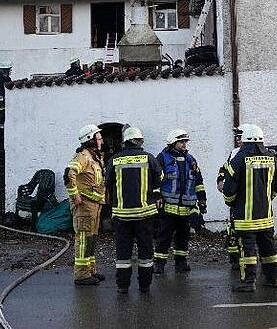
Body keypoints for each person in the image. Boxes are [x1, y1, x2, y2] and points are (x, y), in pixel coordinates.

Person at [222, 123, 277, 292]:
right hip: (266, 216)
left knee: (247, 251)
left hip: (245, 218)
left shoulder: (238, 160)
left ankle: (248, 282)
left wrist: (231, 203)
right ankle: (273, 279)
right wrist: (267, 198)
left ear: (245, 139)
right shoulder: (272, 158)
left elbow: (229, 190)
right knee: (269, 249)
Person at [106, 126, 163, 293]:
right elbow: (160, 177)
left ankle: (123, 286)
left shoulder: (115, 160)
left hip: (122, 216)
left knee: (123, 253)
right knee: (146, 252)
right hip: (144, 215)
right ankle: (145, 285)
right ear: (139, 141)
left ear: (125, 141)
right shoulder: (149, 158)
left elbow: (107, 182)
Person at [153, 128, 206, 274]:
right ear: (173, 142)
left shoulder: (191, 160)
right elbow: (155, 180)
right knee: (164, 237)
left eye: (185, 142)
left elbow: (198, 182)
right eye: (181, 142)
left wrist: (202, 199)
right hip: (168, 207)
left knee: (183, 237)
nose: (184, 144)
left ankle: (181, 262)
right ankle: (159, 264)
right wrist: (157, 197)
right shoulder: (163, 158)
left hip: (186, 208)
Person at [65, 124, 107, 286]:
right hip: (84, 205)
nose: (101, 141)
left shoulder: (94, 156)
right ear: (90, 139)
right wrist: (75, 195)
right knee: (83, 238)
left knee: (91, 237)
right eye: (99, 138)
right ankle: (81, 275)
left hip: (94, 204)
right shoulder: (83, 156)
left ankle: (90, 270)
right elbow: (69, 174)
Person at [217, 127, 243, 269]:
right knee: (233, 228)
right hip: (235, 197)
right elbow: (224, 168)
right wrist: (220, 180)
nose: (238, 140)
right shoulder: (234, 153)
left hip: (248, 197)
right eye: (237, 137)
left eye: (240, 137)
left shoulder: (256, 153)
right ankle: (234, 258)